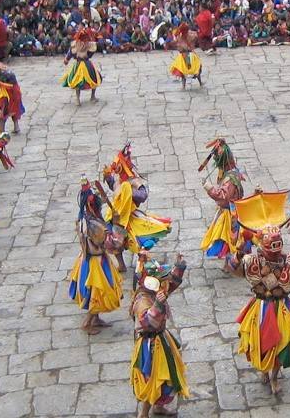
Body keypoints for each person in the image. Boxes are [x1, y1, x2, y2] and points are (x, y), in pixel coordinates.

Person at [229, 223, 290, 394]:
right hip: (260, 306)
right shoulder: (252, 261)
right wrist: (239, 252)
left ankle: (274, 376)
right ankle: (264, 370)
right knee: (260, 342)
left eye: (277, 244)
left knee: (281, 343)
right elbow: (232, 268)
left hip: (281, 307)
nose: (275, 249)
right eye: (272, 245)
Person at [130, 253, 189, 418]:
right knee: (152, 378)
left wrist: (179, 267)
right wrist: (157, 305)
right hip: (150, 345)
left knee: (165, 377)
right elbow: (147, 322)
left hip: (160, 339)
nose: (165, 283)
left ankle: (158, 407)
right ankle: (143, 414)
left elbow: (171, 284)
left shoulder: (155, 291)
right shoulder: (142, 301)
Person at [68, 179, 124, 334]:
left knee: (95, 291)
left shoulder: (84, 218)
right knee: (98, 292)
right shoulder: (94, 226)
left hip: (88, 259)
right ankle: (87, 323)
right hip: (96, 263)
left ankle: (96, 319)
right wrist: (117, 225)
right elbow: (113, 244)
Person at [102, 153, 172, 272]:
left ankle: (143, 264)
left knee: (138, 243)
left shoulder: (129, 185)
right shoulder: (121, 184)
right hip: (114, 218)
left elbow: (142, 196)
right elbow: (114, 186)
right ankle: (122, 264)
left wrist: (135, 187)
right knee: (112, 241)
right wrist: (109, 176)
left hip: (129, 218)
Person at [198, 138, 246, 264]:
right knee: (228, 238)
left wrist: (209, 188)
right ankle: (230, 262)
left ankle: (233, 262)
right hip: (231, 210)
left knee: (229, 237)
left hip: (230, 213)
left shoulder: (230, 179)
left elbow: (223, 195)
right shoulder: (233, 171)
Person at [61, 27, 102, 105]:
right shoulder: (81, 45)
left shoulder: (85, 44)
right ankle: (81, 98)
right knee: (80, 81)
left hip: (84, 64)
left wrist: (66, 60)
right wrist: (66, 59)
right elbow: (71, 53)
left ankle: (88, 97)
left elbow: (70, 54)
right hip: (82, 64)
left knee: (94, 78)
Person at [0, 63, 24, 134]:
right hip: (10, 93)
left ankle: (2, 129)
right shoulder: (2, 74)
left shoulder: (6, 75)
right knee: (14, 110)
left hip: (10, 95)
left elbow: (10, 86)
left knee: (4, 111)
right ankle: (16, 127)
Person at [168, 23, 202, 90]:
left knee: (186, 71)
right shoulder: (190, 35)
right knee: (195, 69)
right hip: (188, 55)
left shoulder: (180, 37)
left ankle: (184, 86)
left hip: (186, 55)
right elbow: (196, 36)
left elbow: (177, 46)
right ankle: (199, 83)